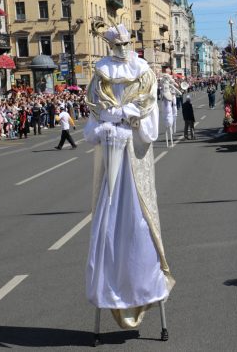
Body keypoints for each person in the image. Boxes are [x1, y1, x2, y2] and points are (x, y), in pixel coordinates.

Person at [84, 24, 173, 329]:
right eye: (116, 43)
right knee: (109, 225)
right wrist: (109, 121)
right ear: (110, 45)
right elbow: (94, 116)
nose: (121, 48)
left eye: (125, 43)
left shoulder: (144, 72)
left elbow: (149, 125)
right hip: (111, 158)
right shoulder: (100, 74)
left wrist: (129, 116)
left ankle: (143, 288)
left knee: (139, 223)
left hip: (135, 157)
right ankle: (111, 290)